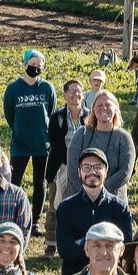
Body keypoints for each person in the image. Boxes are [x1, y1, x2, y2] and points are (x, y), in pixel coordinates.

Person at [52, 148, 133, 275]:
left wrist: (82, 243)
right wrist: (107, 246)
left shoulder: (119, 208)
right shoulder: (66, 208)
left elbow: (126, 247)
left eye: (98, 167)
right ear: (79, 172)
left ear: (106, 172)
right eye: (87, 167)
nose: (92, 172)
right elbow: (65, 250)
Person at [5, 49, 58, 207]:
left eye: (39, 65)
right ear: (25, 63)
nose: (35, 67)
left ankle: (35, 219)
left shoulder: (47, 88)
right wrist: (18, 128)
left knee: (39, 183)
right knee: (14, 181)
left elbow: (51, 113)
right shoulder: (13, 89)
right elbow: (9, 114)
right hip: (20, 143)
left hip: (41, 143)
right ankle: (13, 212)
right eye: (32, 64)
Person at [68, 90, 137, 196]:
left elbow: (125, 172)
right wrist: (87, 191)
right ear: (93, 109)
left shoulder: (124, 137)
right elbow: (72, 169)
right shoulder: (81, 134)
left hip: (113, 200)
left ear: (115, 109)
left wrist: (99, 191)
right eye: (100, 105)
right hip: (81, 197)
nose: (104, 108)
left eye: (108, 105)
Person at [44, 80, 86, 247]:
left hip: (83, 169)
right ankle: (50, 243)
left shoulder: (90, 117)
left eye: (79, 92)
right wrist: (70, 163)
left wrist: (81, 165)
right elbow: (56, 145)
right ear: (65, 95)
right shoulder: (57, 117)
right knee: (55, 205)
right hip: (60, 167)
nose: (75, 95)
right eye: (72, 91)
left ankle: (75, 241)